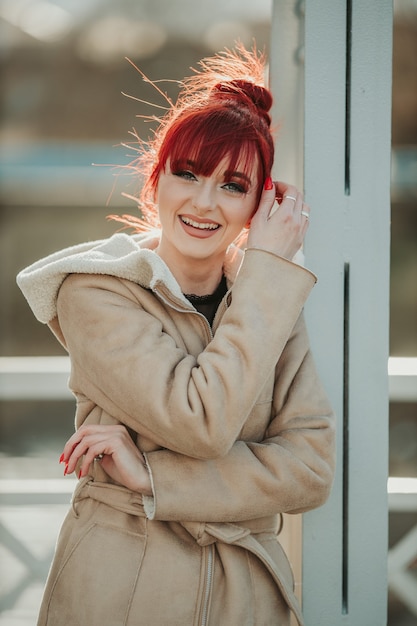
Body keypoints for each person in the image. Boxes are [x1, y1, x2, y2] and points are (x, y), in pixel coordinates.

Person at [17, 43, 335, 626]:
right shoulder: (96, 293)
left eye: (233, 186)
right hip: (123, 589)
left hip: (249, 596)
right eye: (186, 174)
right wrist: (241, 474)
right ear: (155, 179)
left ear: (260, 205)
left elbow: (311, 469)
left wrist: (154, 476)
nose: (204, 202)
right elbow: (203, 423)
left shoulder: (268, 299)